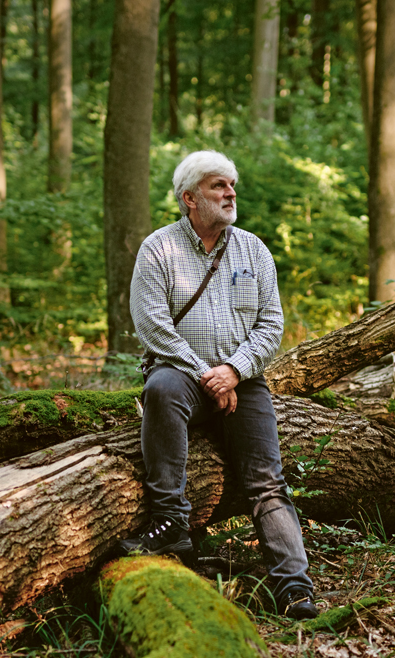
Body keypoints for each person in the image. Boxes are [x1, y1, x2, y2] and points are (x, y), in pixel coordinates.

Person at [118, 150, 318, 620]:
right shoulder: (158, 249)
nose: (231, 193)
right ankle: (171, 520)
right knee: (161, 390)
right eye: (218, 185)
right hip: (180, 373)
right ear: (189, 198)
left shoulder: (253, 250)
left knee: (267, 481)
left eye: (232, 185)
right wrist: (206, 374)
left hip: (242, 381)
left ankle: (294, 588)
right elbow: (151, 325)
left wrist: (233, 371)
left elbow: (271, 324)